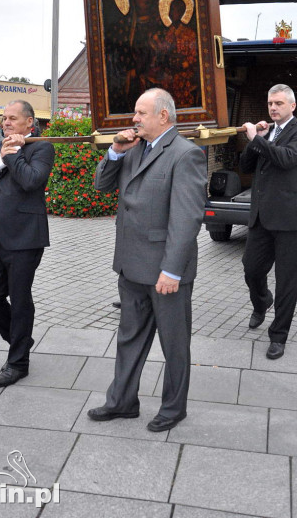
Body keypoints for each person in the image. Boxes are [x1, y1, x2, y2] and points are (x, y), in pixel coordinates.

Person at [87, 88, 206, 432]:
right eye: (134, 113)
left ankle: (173, 408)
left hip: (164, 271)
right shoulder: (134, 147)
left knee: (174, 344)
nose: (133, 119)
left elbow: (186, 219)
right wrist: (114, 151)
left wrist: (171, 270)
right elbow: (102, 186)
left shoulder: (185, 155)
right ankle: (122, 402)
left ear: (163, 117)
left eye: (140, 113)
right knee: (129, 338)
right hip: (131, 265)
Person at [0, 100, 55, 387]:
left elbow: (32, 181)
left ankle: (17, 363)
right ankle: (21, 339)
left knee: (19, 298)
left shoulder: (41, 147)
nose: (6, 123)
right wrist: (0, 159)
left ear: (29, 122)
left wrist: (13, 154)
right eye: (4, 119)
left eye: (13, 119)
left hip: (26, 237)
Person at [240, 84, 297, 360]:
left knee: (287, 282)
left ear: (292, 106)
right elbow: (246, 167)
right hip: (261, 218)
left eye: (279, 103)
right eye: (270, 103)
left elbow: (285, 160)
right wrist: (255, 139)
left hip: (290, 220)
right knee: (251, 269)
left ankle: (278, 336)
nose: (273, 108)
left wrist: (259, 141)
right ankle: (262, 302)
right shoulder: (267, 132)